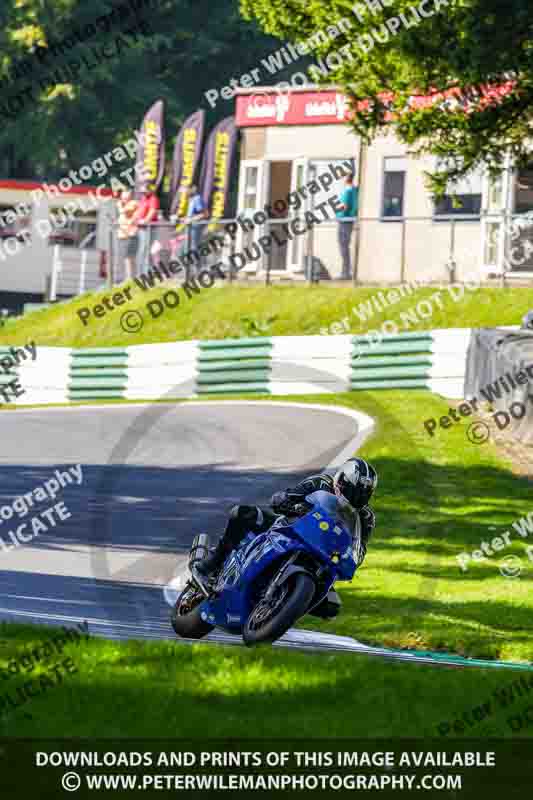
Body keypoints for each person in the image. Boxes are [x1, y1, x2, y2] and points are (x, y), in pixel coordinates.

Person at [196, 457, 377, 619]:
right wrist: (284, 501)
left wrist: (352, 558)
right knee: (242, 514)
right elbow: (290, 495)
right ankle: (213, 563)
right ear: (341, 480)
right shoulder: (320, 483)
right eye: (352, 490)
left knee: (332, 606)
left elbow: (359, 548)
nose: (355, 497)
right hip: (289, 528)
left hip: (324, 554)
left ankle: (282, 607)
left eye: (362, 494)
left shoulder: (366, 517)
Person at [336, 172, 359, 280]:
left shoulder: (348, 190)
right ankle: (346, 272)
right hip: (348, 220)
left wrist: (337, 211)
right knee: (345, 246)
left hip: (345, 220)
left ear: (347, 178)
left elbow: (344, 207)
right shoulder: (354, 190)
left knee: (343, 247)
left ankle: (346, 273)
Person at [134, 190, 160, 275]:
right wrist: (135, 219)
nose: (143, 194)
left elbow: (152, 211)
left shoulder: (153, 199)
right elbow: (139, 211)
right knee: (142, 250)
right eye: (142, 192)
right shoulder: (143, 198)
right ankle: (141, 272)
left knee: (146, 250)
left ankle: (146, 273)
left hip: (149, 228)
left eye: (144, 192)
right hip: (141, 228)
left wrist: (145, 221)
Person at [116, 190, 138, 281]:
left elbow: (126, 213)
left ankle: (130, 277)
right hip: (122, 235)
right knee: (125, 257)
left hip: (130, 234)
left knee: (129, 257)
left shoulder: (133, 203)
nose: (123, 200)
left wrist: (120, 206)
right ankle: (128, 277)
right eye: (122, 198)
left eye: (125, 198)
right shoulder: (123, 204)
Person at [186, 184, 206, 258]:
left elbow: (203, 214)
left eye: (188, 188)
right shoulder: (191, 199)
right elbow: (191, 215)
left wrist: (190, 219)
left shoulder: (197, 199)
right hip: (191, 227)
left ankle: (196, 264)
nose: (186, 191)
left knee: (195, 248)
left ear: (193, 189)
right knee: (190, 248)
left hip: (196, 227)